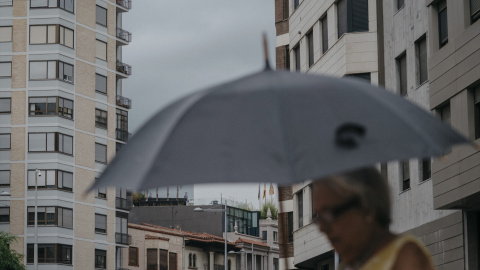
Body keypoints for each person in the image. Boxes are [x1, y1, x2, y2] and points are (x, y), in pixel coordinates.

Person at [312, 167, 434, 270]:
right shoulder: (348, 265)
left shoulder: (406, 256)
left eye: (329, 214)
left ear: (367, 208)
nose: (322, 228)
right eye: (319, 218)